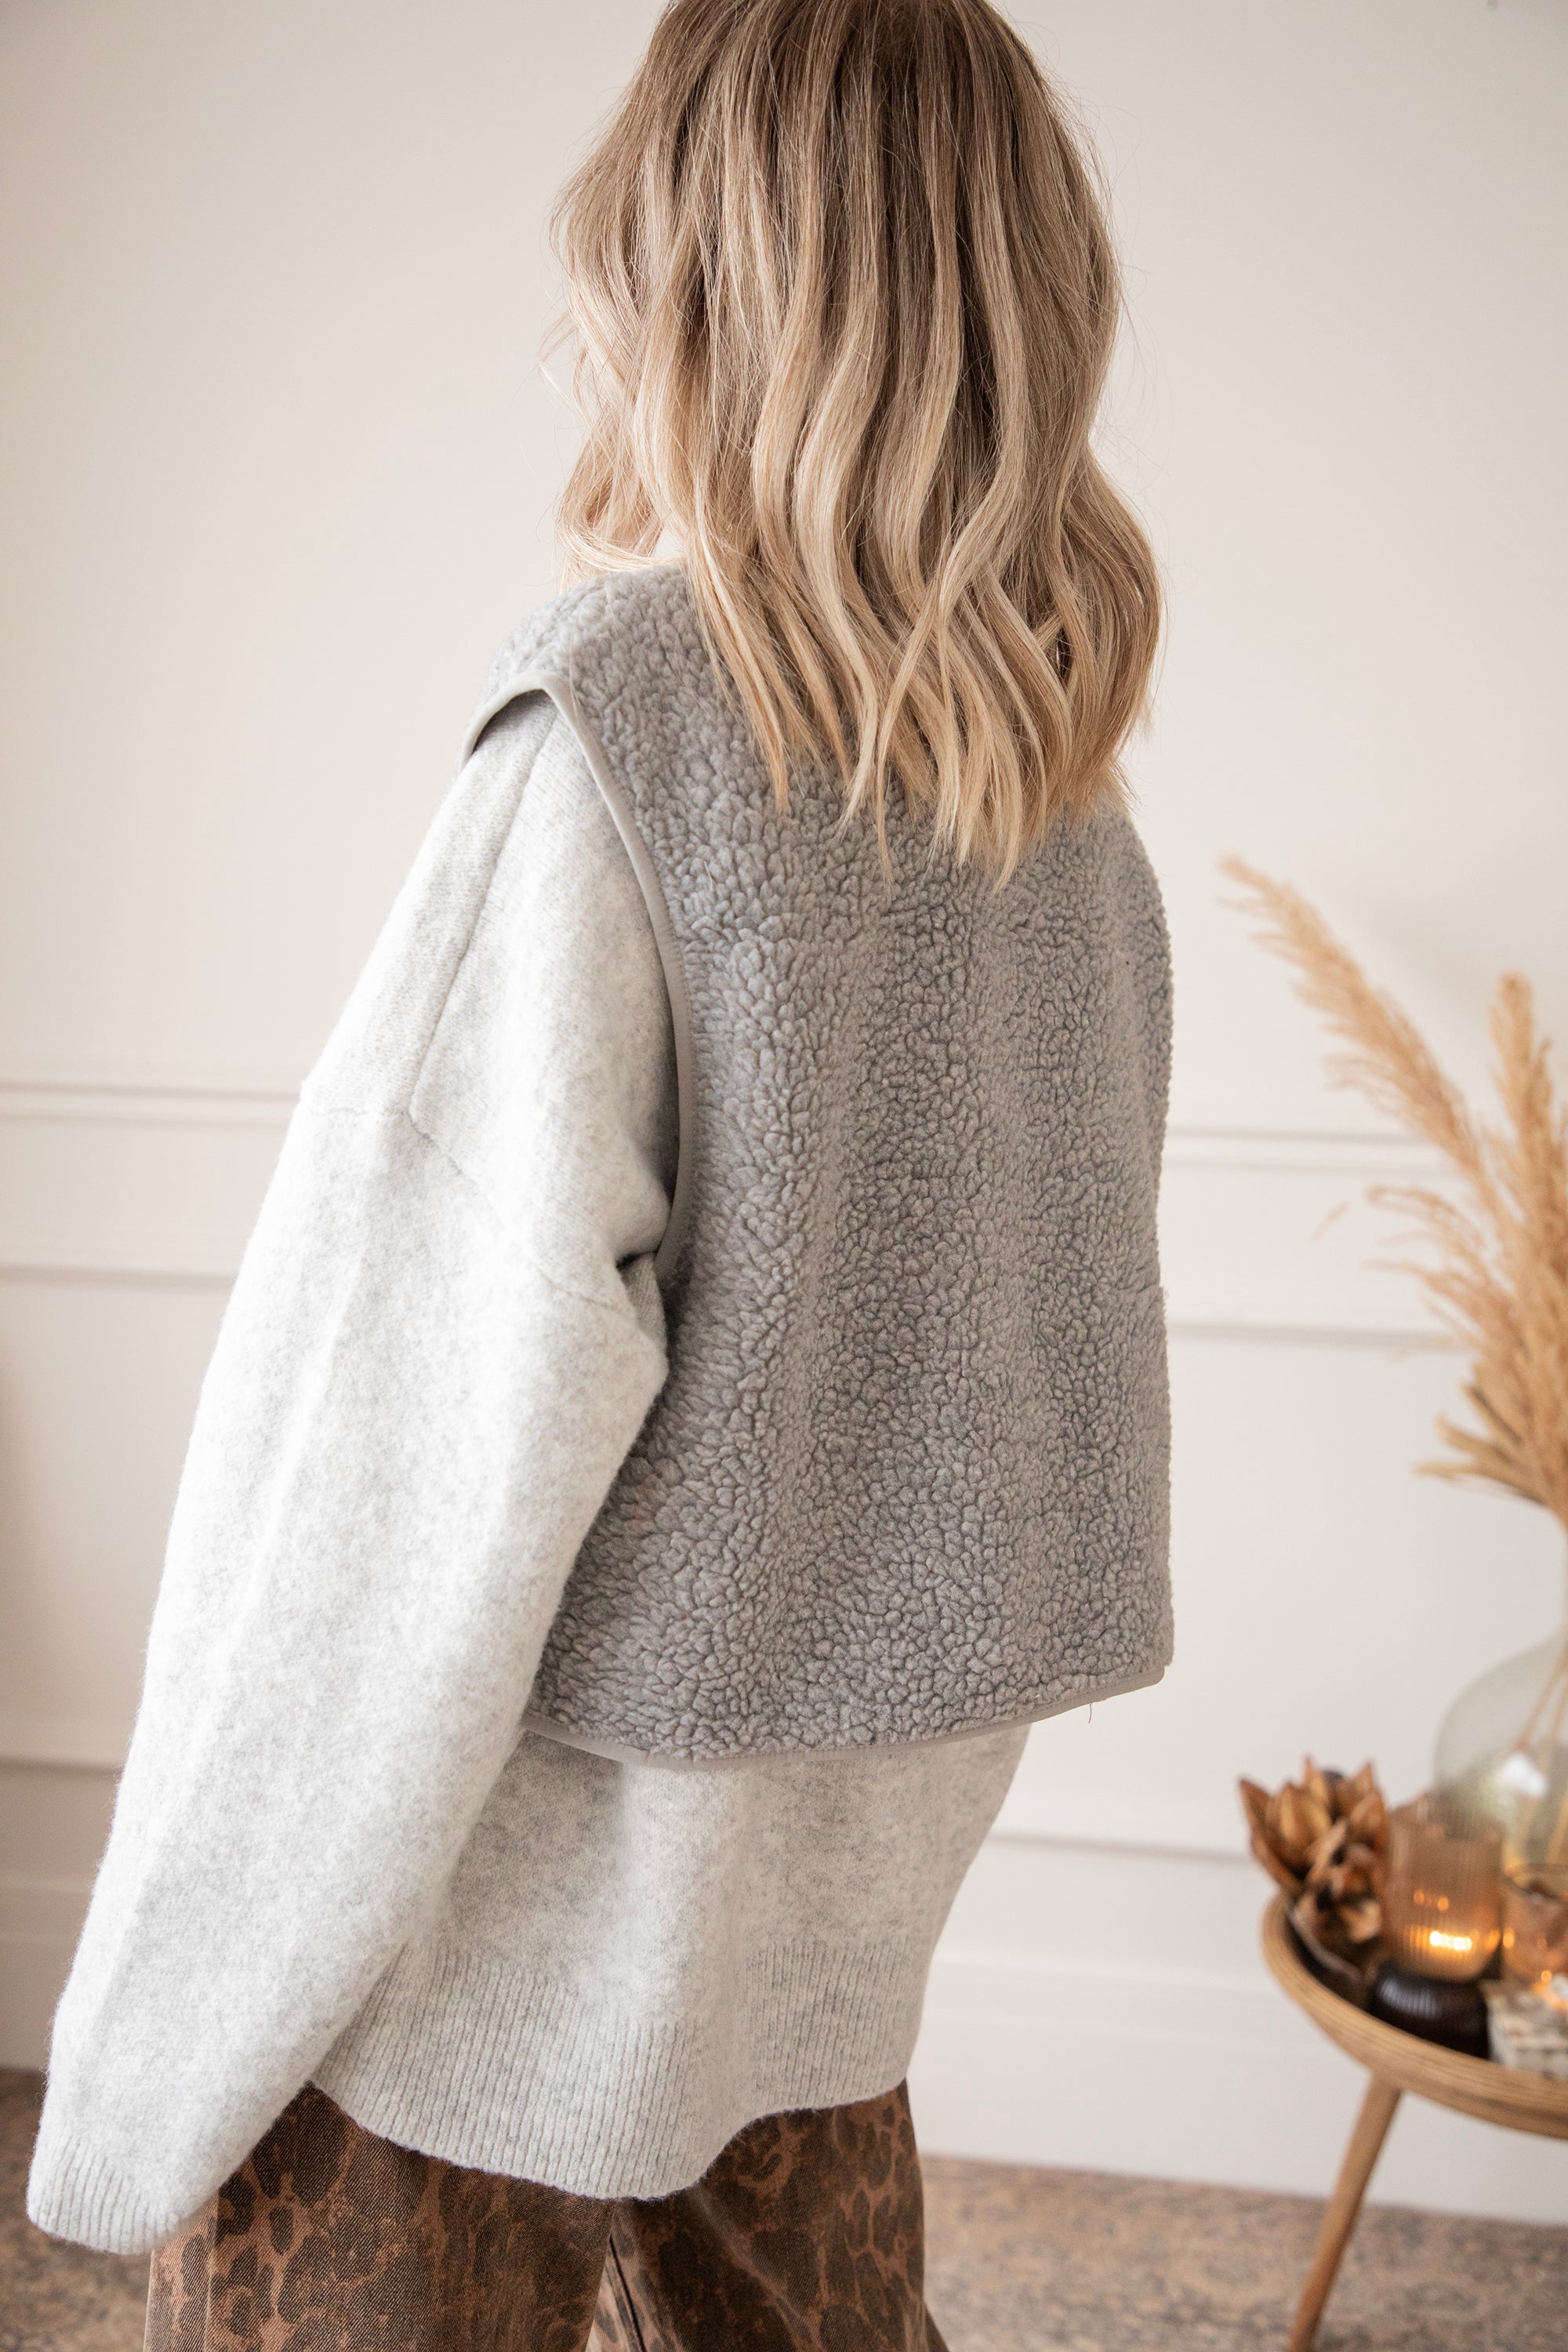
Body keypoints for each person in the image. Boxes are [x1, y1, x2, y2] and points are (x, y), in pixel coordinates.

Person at [28, 2, 1172, 2343]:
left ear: (681, 278)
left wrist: (152, 2071)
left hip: (472, 1960)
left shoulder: (620, 750)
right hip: (811, 1950)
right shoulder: (1060, 812)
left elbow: (375, 1496)